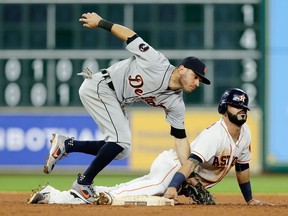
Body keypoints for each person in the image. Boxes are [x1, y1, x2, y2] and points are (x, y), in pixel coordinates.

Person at [42, 12, 211, 204]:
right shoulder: (157, 62)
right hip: (101, 86)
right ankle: (83, 183)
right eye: (195, 77)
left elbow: (180, 141)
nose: (197, 83)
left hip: (115, 99)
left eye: (200, 80)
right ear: (182, 69)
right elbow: (130, 36)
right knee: (120, 140)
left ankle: (67, 145)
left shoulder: (176, 104)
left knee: (122, 150)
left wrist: (188, 175)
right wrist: (101, 23)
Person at [164, 88, 272, 206]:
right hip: (173, 167)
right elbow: (190, 163)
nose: (242, 110)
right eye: (236, 106)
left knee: (161, 198)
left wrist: (250, 200)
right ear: (224, 109)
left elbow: (242, 168)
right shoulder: (214, 135)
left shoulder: (245, 132)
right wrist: (173, 185)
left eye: (244, 108)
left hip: (188, 177)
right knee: (149, 191)